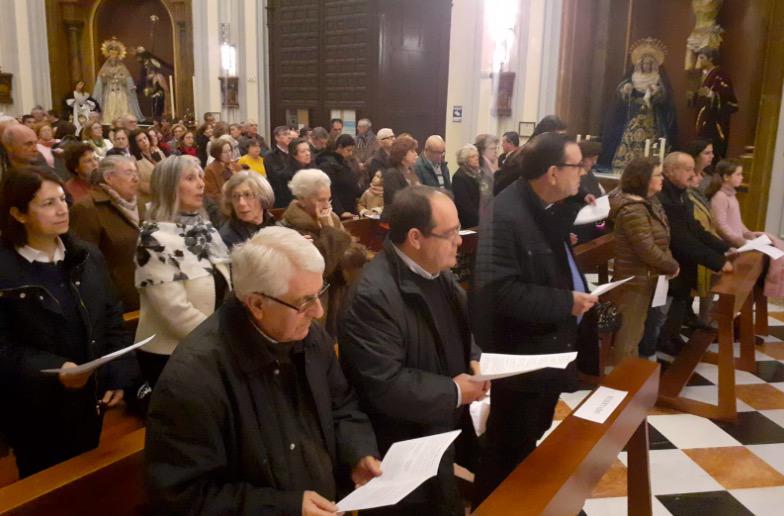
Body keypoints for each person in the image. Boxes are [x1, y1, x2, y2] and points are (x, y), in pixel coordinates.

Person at [145, 226, 380, 515]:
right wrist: (287, 508)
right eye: (305, 300)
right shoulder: (193, 379)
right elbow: (185, 497)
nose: (318, 311)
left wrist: (358, 452)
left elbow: (342, 405)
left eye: (319, 294)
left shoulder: (308, 337)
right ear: (257, 304)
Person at [339, 186, 486, 515]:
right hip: (401, 450)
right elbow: (384, 383)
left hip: (438, 433)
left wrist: (474, 358)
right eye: (449, 234)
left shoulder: (435, 273)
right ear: (416, 238)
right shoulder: (372, 295)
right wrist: (453, 391)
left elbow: (462, 329)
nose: (459, 241)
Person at [471, 132, 599, 506]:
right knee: (507, 447)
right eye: (577, 166)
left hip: (546, 352)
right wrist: (565, 303)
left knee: (527, 437)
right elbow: (499, 290)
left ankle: (517, 505)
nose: (585, 172)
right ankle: (492, 507)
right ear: (554, 172)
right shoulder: (507, 214)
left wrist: (576, 203)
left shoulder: (540, 205)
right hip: (521, 357)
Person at [0, 167, 137, 478]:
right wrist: (53, 370)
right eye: (48, 204)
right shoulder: (6, 269)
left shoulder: (85, 256)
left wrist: (117, 374)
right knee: (45, 483)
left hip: (88, 399)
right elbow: (3, 346)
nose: (62, 209)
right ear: (19, 214)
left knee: (85, 475)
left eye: (63, 199)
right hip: (33, 406)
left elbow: (111, 317)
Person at [134, 155, 231, 387]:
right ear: (168, 187)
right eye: (190, 178)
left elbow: (226, 282)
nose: (201, 183)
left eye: (200, 176)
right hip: (172, 354)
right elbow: (175, 311)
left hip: (212, 344)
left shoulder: (205, 229)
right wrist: (224, 342)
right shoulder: (154, 238)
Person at [656, 152, 731, 355]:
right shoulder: (664, 197)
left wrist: (724, 248)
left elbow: (696, 228)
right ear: (671, 171)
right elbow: (679, 238)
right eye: (687, 169)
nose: (693, 174)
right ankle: (661, 342)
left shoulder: (682, 194)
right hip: (671, 260)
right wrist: (717, 261)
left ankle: (672, 337)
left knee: (681, 299)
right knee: (667, 305)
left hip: (685, 261)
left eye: (692, 169)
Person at [608, 157, 679, 364]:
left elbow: (661, 241)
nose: (662, 178)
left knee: (636, 331)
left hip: (646, 277)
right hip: (633, 280)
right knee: (628, 336)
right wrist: (671, 265)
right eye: (658, 174)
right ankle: (620, 382)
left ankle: (628, 376)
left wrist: (668, 262)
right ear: (643, 179)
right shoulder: (632, 209)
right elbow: (645, 248)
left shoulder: (649, 202)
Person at [280, 169, 367, 335]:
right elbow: (325, 266)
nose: (327, 205)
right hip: (318, 299)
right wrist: (330, 231)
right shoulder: (290, 226)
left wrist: (332, 232)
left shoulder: (331, 217)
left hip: (341, 293)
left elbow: (357, 255)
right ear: (302, 199)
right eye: (321, 200)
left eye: (329, 199)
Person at [70, 155, 144, 312]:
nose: (136, 178)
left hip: (146, 293)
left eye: (136, 173)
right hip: (118, 302)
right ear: (109, 178)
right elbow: (85, 266)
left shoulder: (140, 204)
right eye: (129, 173)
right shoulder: (87, 209)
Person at [708, 159, 784, 298]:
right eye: (738, 174)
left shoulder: (732, 196)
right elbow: (721, 225)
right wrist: (739, 241)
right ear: (726, 177)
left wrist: (748, 234)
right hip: (729, 248)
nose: (742, 177)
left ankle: (757, 295)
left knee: (771, 252)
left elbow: (737, 222)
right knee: (729, 284)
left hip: (739, 245)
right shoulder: (720, 196)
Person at [600, 38, 677, 172]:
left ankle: (649, 168)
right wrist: (626, 89)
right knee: (629, 136)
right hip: (633, 114)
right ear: (640, 64)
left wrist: (656, 93)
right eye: (644, 63)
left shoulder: (658, 78)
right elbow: (621, 91)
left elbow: (666, 96)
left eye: (649, 64)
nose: (646, 66)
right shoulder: (633, 76)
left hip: (651, 117)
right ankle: (625, 164)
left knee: (651, 141)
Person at [693, 47, 738, 159]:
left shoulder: (720, 75)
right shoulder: (703, 74)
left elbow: (728, 97)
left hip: (715, 120)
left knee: (713, 146)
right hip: (703, 116)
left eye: (702, 57)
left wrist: (711, 94)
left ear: (710, 59)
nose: (699, 60)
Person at [219, 172, 276, 249]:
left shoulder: (272, 221)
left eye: (247, 195)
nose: (241, 203)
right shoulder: (227, 237)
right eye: (235, 196)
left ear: (263, 197)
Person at [92, 38, 143, 124]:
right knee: (110, 108)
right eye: (111, 56)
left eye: (115, 57)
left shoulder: (122, 68)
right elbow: (100, 83)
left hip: (120, 93)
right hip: (110, 92)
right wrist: (105, 77)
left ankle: (123, 123)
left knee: (122, 108)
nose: (113, 59)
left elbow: (128, 81)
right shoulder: (105, 69)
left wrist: (121, 79)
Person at [316, 134, 360, 218]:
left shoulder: (344, 161)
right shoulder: (327, 165)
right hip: (338, 211)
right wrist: (341, 211)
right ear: (339, 147)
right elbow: (330, 191)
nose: (350, 153)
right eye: (348, 150)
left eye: (352, 151)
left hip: (350, 206)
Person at [572, 140, 608, 244]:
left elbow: (601, 199)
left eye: (596, 159)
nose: (595, 163)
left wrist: (601, 231)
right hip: (578, 233)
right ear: (581, 159)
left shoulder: (591, 176)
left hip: (593, 231)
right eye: (592, 159)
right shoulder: (572, 178)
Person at [452, 143, 491, 229]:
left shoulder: (480, 174)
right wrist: (481, 219)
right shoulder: (459, 177)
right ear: (464, 160)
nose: (477, 158)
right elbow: (464, 206)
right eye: (472, 156)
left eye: (477, 155)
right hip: (470, 224)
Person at [382, 135, 420, 219]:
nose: (416, 154)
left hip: (409, 218)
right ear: (402, 154)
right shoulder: (392, 174)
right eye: (412, 151)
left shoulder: (411, 172)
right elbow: (396, 201)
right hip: (393, 221)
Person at [265, 126, 295, 208]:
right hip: (280, 196)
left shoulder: (294, 152)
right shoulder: (271, 156)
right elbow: (277, 175)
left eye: (289, 134)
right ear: (277, 138)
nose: (289, 137)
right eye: (285, 134)